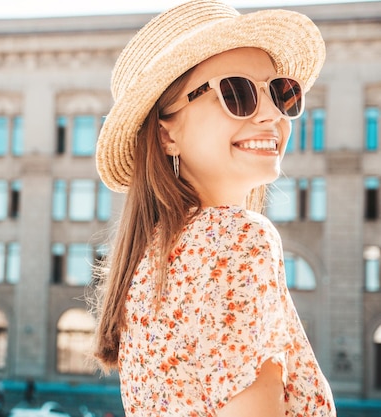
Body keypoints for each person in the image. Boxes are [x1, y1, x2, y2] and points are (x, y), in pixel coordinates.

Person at [92, 0, 335, 416]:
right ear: (167, 135)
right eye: (236, 92)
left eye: (281, 93)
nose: (271, 115)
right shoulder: (240, 238)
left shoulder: (146, 267)